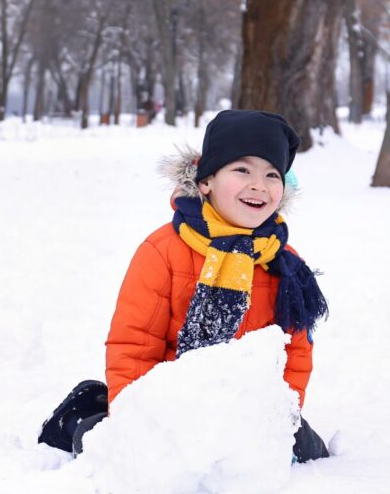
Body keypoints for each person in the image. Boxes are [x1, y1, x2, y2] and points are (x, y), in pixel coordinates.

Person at [38, 110, 331, 463]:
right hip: (168, 406)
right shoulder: (162, 251)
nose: (259, 185)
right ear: (206, 181)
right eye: (242, 170)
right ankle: (83, 415)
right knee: (110, 446)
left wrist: (278, 418)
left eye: (272, 174)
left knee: (310, 451)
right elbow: (135, 344)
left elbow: (296, 352)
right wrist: (138, 419)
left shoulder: (284, 263)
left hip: (244, 408)